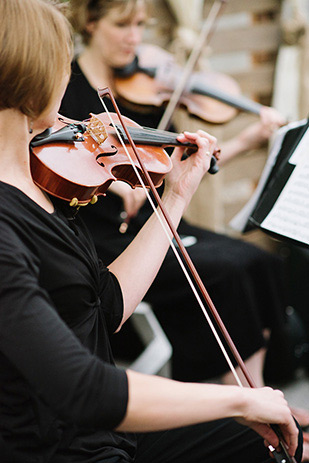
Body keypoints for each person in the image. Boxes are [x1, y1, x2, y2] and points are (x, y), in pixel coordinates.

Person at [0, 0, 304, 461]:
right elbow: (85, 388)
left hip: (100, 433)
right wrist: (240, 399)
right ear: (36, 75)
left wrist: (175, 197)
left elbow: (103, 308)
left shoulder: (41, 187)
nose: (69, 79)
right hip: (60, 449)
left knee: (280, 445)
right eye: (64, 63)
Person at [60, 0, 289, 388]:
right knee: (227, 271)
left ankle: (262, 391)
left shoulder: (140, 93)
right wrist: (111, 180)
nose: (134, 38)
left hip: (155, 221)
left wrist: (248, 139)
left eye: (140, 25)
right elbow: (56, 157)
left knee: (258, 260)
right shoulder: (67, 91)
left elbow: (174, 168)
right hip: (106, 237)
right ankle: (246, 405)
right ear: (91, 24)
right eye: (122, 25)